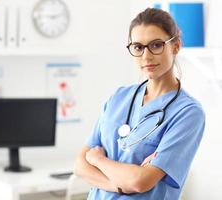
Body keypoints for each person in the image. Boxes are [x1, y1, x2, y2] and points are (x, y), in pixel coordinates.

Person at [74, 8, 205, 200]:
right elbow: (80, 165)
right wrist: (118, 185)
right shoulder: (119, 97)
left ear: (176, 46)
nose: (146, 56)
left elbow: (140, 181)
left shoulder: (188, 113)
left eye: (156, 45)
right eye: (138, 47)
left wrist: (98, 159)